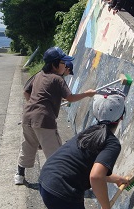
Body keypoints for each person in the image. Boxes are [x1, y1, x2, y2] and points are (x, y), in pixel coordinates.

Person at [39, 88, 130, 209]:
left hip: (47, 178)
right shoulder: (111, 143)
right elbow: (95, 177)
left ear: (96, 113)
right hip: (63, 190)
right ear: (121, 117)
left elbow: (85, 167)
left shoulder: (90, 131)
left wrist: (115, 179)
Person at [14, 47, 96, 185]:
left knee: (28, 146)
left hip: (27, 117)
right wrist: (87, 94)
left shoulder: (39, 75)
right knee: (55, 153)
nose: (65, 66)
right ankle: (57, 182)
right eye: (63, 63)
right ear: (54, 64)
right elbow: (70, 97)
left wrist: (36, 105)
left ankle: (19, 175)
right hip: (44, 120)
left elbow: (26, 92)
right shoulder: (57, 79)